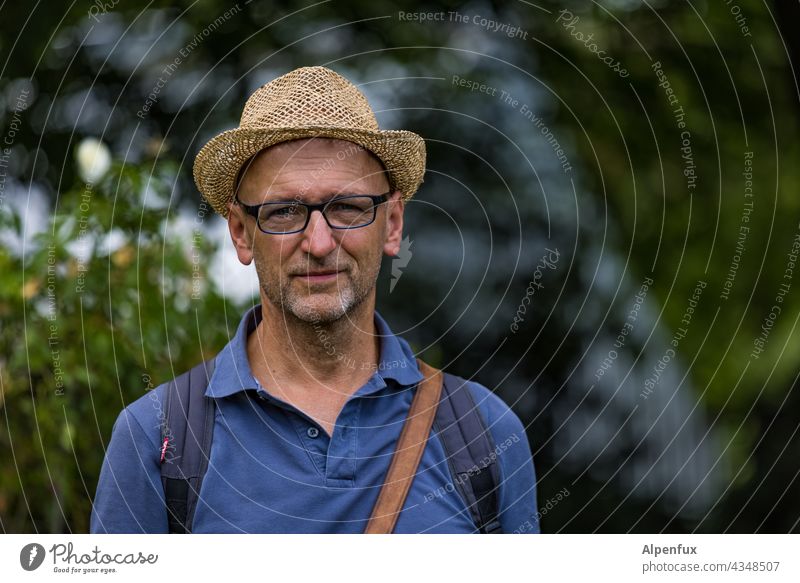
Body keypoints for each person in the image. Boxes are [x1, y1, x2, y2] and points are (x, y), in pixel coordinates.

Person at [90, 66, 539, 534]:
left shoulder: (483, 433)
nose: (320, 242)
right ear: (241, 234)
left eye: (347, 207)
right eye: (284, 212)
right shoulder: (160, 439)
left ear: (392, 224)